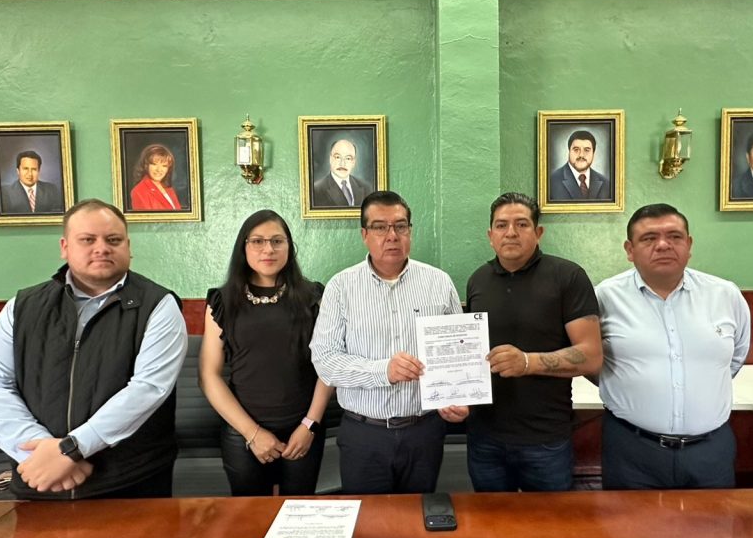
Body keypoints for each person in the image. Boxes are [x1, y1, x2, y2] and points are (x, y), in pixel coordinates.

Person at [0, 199, 188, 499]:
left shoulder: (159, 305)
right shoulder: (22, 307)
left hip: (129, 482)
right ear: (65, 247)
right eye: (87, 240)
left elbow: (148, 388)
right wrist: (43, 455)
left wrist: (72, 449)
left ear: (128, 246)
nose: (102, 248)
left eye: (114, 240)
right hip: (39, 480)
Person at [310, 191, 468, 494]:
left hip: (424, 431)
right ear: (364, 235)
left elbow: (458, 351)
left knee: (418, 516)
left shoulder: (439, 283)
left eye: (400, 226)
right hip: (363, 433)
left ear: (410, 231)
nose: (392, 236)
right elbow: (325, 360)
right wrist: (384, 371)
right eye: (380, 227)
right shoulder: (341, 287)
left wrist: (459, 396)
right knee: (368, 519)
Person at [595, 203, 750, 489]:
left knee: (713, 519)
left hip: (710, 450)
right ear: (629, 249)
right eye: (649, 238)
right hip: (632, 450)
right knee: (630, 520)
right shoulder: (604, 297)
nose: (663, 245)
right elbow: (591, 361)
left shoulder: (725, 294)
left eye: (675, 237)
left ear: (689, 245)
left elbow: (736, 356)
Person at [465, 192, 602, 491]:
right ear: (490, 236)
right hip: (485, 439)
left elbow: (591, 356)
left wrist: (527, 362)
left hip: (546, 441)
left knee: (549, 521)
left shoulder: (568, 277)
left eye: (522, 224)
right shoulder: (478, 280)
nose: (511, 232)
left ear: (538, 232)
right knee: (490, 518)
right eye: (501, 225)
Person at [199, 210, 332, 496]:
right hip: (242, 433)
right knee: (249, 516)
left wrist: (309, 425)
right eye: (258, 241)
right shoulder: (222, 301)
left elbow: (329, 366)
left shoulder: (314, 297)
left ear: (289, 247)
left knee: (300, 513)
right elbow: (209, 376)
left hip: (304, 430)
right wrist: (253, 433)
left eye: (277, 241)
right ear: (243, 247)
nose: (268, 249)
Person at [548, 130, 612, 200]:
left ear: (593, 153)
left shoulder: (606, 184)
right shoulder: (551, 182)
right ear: (569, 151)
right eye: (576, 149)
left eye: (587, 150)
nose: (581, 155)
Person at [312, 139, 375, 208]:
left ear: (353, 162)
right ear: (330, 159)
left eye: (348, 158)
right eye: (338, 157)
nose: (342, 163)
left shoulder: (366, 188)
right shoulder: (316, 190)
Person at [129, 144, 183, 211]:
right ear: (146, 165)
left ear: (168, 169)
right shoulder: (139, 191)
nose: (159, 169)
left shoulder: (169, 188)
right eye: (154, 164)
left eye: (164, 166)